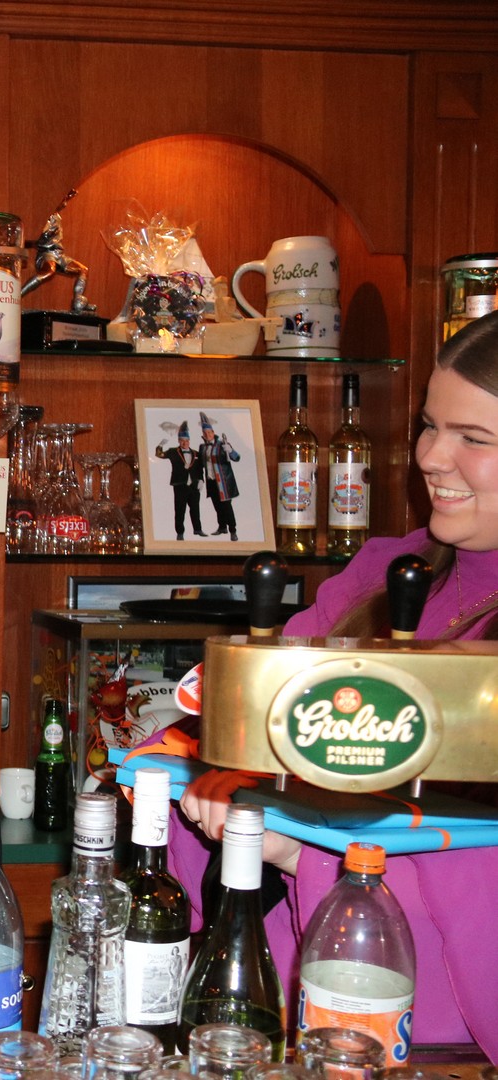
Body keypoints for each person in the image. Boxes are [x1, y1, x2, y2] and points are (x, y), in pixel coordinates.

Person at [172, 312, 498, 1057]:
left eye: (474, 438)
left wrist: (305, 852)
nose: (430, 457)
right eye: (429, 425)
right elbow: (234, 727)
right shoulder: (382, 573)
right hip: (287, 1001)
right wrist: (209, 770)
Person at [155, 421, 205, 540]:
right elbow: (159, 455)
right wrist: (160, 444)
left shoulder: (196, 453)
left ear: (189, 441)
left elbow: (200, 469)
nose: (184, 443)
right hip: (180, 485)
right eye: (182, 440)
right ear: (179, 441)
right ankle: (180, 532)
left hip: (194, 486)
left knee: (195, 509)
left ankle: (198, 529)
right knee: (180, 510)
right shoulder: (173, 451)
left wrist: (201, 481)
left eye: (186, 440)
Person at [197, 413, 241, 540]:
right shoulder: (202, 447)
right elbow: (200, 465)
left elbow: (237, 458)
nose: (207, 435)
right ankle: (222, 527)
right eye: (205, 433)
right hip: (211, 481)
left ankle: (233, 530)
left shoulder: (222, 444)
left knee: (227, 507)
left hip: (223, 482)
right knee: (217, 505)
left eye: (209, 432)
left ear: (213, 432)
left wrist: (231, 451)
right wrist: (200, 479)